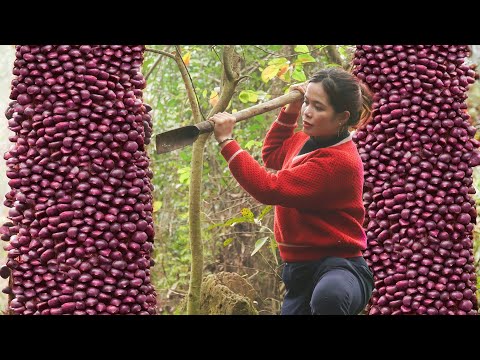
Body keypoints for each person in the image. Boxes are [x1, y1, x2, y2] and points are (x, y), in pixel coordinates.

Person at [209, 67, 375, 315]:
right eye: (307, 102)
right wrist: (291, 109)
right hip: (299, 271)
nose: (307, 112)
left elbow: (268, 188)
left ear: (342, 117)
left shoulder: (338, 163)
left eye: (318, 107)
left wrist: (226, 141)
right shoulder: (306, 139)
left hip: (339, 268)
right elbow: (273, 154)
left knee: (329, 297)